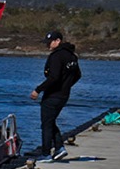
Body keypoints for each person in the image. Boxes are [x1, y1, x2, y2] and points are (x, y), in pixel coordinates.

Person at [29, 28, 81, 159]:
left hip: (53, 95)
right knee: (50, 121)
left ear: (58, 41)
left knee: (46, 124)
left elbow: (53, 77)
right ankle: (59, 148)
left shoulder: (57, 56)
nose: (47, 45)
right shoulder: (72, 56)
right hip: (63, 95)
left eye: (50, 42)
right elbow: (78, 75)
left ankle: (46, 154)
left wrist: (38, 90)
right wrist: (66, 87)